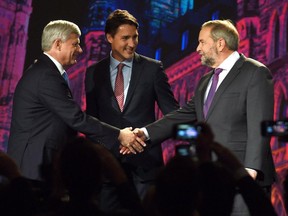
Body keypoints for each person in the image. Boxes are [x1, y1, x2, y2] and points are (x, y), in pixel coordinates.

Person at [134, 19, 276, 216]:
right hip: (212, 179)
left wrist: (249, 171)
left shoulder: (255, 72)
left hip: (241, 175)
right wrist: (145, 133)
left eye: (202, 42)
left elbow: (260, 124)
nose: (197, 48)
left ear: (220, 43)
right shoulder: (205, 81)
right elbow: (183, 114)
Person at [7, 20, 143, 183]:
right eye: (75, 44)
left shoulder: (47, 73)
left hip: (41, 165)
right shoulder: (46, 76)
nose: (80, 49)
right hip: (33, 168)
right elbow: (76, 118)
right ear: (58, 44)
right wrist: (120, 135)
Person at [85, 9, 179, 212]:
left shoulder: (153, 69)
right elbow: (90, 123)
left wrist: (143, 137)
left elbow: (174, 115)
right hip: (108, 171)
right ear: (109, 37)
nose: (132, 43)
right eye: (125, 38)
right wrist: (116, 140)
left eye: (135, 37)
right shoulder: (93, 73)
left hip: (146, 169)